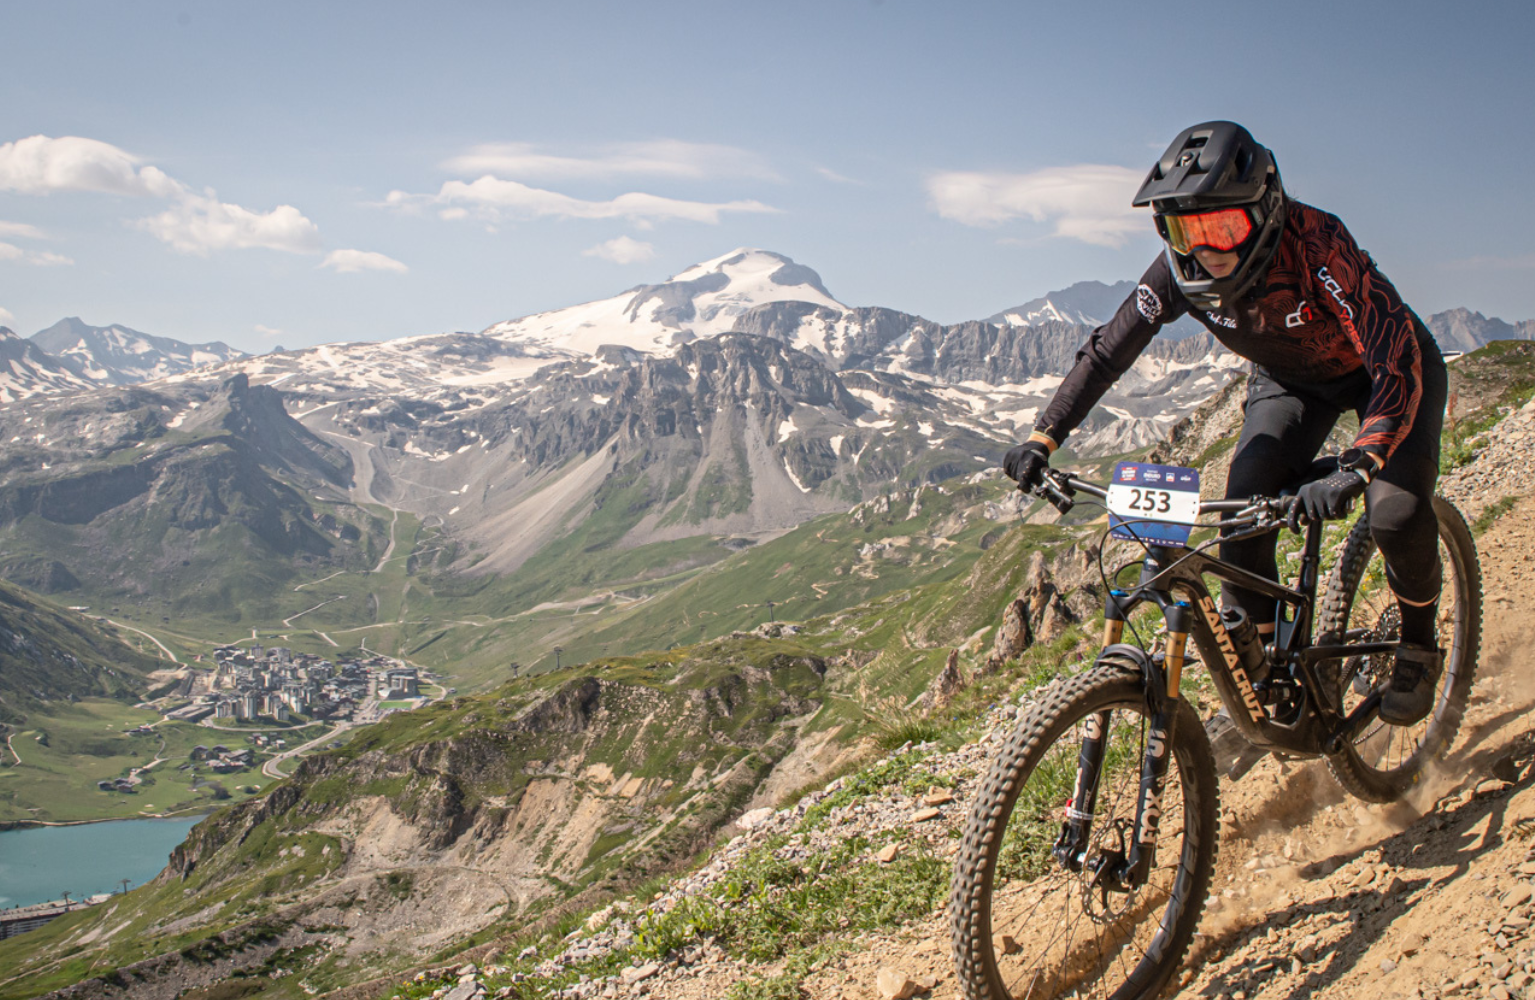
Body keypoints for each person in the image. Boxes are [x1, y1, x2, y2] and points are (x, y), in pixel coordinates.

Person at [1003, 120, 1448, 737]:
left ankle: (1421, 647)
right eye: (1185, 229)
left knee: (1396, 512)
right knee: (1243, 516)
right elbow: (1107, 352)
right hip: (1291, 380)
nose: (1204, 248)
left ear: (1265, 209)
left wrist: (1363, 461)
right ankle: (1266, 687)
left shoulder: (1317, 245)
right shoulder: (1177, 273)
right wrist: (1042, 438)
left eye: (1222, 227)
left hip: (1387, 372)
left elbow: (1393, 357)